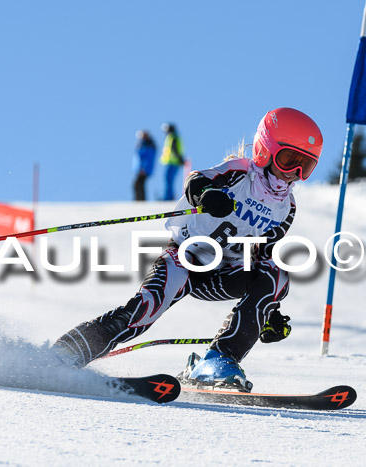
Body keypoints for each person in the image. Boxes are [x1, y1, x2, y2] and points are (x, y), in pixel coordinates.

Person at [53, 108, 323, 392]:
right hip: (186, 259)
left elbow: (263, 255)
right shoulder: (238, 174)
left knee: (278, 273)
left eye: (305, 166)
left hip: (223, 275)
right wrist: (207, 195)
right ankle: (66, 353)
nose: (294, 173)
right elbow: (195, 180)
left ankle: (218, 360)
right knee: (145, 309)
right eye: (288, 160)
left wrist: (268, 311)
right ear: (264, 150)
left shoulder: (286, 208)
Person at [159, 123, 185, 200]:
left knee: (168, 179)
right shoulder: (174, 136)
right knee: (168, 179)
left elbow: (175, 149)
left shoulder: (172, 137)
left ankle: (168, 197)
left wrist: (179, 158)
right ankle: (169, 196)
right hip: (172, 162)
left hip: (172, 162)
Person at [133, 130, 156, 201]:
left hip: (143, 169)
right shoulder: (142, 144)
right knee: (139, 184)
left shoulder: (148, 145)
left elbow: (147, 158)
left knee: (138, 184)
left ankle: (140, 200)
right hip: (141, 169)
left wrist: (143, 168)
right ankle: (139, 199)